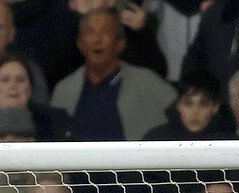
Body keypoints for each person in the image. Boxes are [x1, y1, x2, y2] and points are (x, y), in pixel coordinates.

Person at [49, 9, 175, 141]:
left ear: (120, 44)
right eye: (90, 32)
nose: (97, 39)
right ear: (80, 44)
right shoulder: (64, 91)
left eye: (105, 32)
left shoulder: (150, 85)